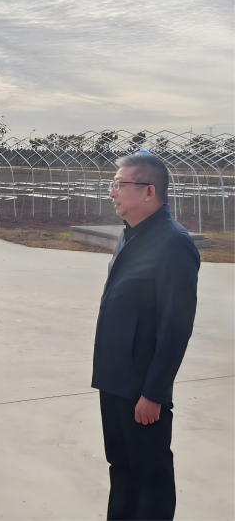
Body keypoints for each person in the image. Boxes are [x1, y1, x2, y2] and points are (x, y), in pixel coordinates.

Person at [93, 153, 199, 520]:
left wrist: (154, 393)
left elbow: (176, 328)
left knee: (150, 476)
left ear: (149, 191)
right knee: (121, 469)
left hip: (141, 389)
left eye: (119, 184)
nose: (112, 192)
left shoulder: (173, 244)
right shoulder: (131, 234)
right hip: (114, 380)